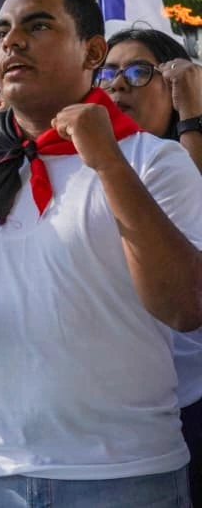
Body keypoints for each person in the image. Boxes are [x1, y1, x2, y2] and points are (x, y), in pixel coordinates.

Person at [0, 0, 202, 507]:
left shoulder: (154, 160)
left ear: (92, 52)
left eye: (38, 26)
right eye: (2, 32)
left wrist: (106, 161)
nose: (12, 42)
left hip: (123, 472)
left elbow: (185, 306)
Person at [99, 27, 202, 501]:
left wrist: (192, 119)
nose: (118, 85)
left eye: (141, 72)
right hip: (119, 413)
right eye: (109, 73)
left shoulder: (174, 160)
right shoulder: (87, 166)